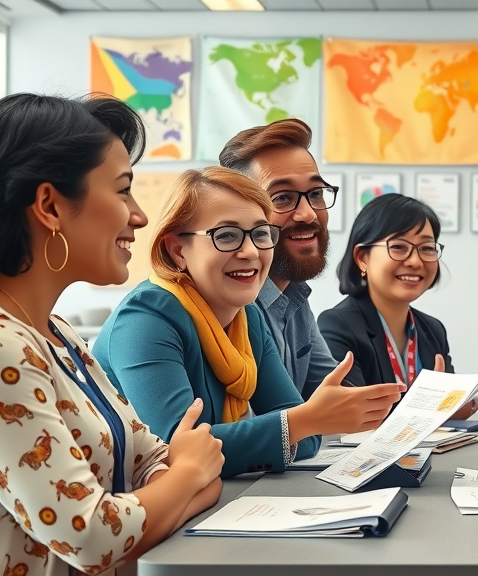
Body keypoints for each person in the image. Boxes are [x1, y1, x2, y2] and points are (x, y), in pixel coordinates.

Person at [0, 93, 223, 575]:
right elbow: (90, 536)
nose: (139, 215)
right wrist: (183, 477)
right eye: (122, 190)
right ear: (50, 206)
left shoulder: (57, 335)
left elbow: (160, 460)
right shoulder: (5, 349)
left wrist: (168, 485)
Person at [93, 167, 405, 478]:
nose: (251, 251)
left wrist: (303, 422)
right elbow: (175, 450)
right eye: (226, 235)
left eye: (261, 233)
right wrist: (303, 421)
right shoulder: (144, 320)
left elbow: (305, 438)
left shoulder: (247, 316)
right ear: (177, 250)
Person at [318, 194, 478, 419]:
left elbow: (445, 409)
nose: (415, 261)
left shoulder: (432, 329)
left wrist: (474, 400)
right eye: (398, 246)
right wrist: (428, 403)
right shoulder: (337, 325)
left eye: (427, 248)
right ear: (362, 258)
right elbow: (355, 413)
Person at [219, 119, 338, 400]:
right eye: (283, 197)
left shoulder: (294, 296)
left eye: (316, 193)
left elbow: (336, 397)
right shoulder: (226, 306)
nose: (308, 214)